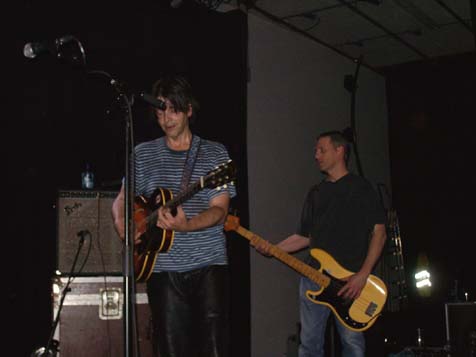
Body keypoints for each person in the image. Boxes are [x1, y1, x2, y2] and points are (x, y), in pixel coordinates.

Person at [111, 74, 236, 357]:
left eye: (174, 109)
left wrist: (187, 225)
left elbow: (219, 210)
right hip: (163, 268)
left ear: (189, 110)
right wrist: (123, 223)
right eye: (160, 110)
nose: (166, 118)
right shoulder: (143, 154)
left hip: (209, 264)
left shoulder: (215, 153)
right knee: (170, 349)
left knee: (215, 349)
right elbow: (121, 200)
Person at [254, 130, 386, 357]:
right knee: (309, 345)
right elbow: (304, 237)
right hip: (313, 277)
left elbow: (379, 233)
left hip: (350, 281)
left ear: (340, 150)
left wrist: (363, 274)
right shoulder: (315, 193)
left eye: (321, 150)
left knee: (352, 345)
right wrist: (272, 249)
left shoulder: (362, 188)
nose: (316, 155)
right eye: (315, 150)